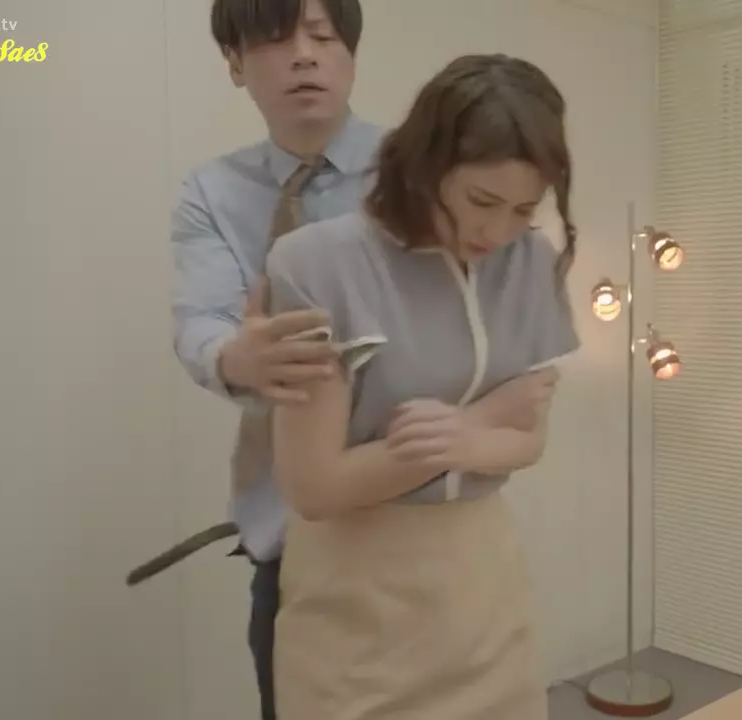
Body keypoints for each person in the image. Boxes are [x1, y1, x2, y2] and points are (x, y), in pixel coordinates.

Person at [165, 2, 555, 718]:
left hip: (446, 542)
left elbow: (528, 399)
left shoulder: (436, 177)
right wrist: (235, 357)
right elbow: (202, 322)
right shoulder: (214, 196)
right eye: (277, 38)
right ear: (235, 62)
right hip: (287, 522)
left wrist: (481, 431)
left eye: (323, 35)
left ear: (352, 52)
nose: (304, 55)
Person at [262, 53, 580, 719]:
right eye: (481, 201)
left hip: (483, 589)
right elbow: (315, 488)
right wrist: (474, 427)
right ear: (425, 165)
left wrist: (467, 435)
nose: (498, 231)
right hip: (358, 599)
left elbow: (530, 439)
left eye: (524, 209)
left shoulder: (530, 262)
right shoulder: (316, 265)